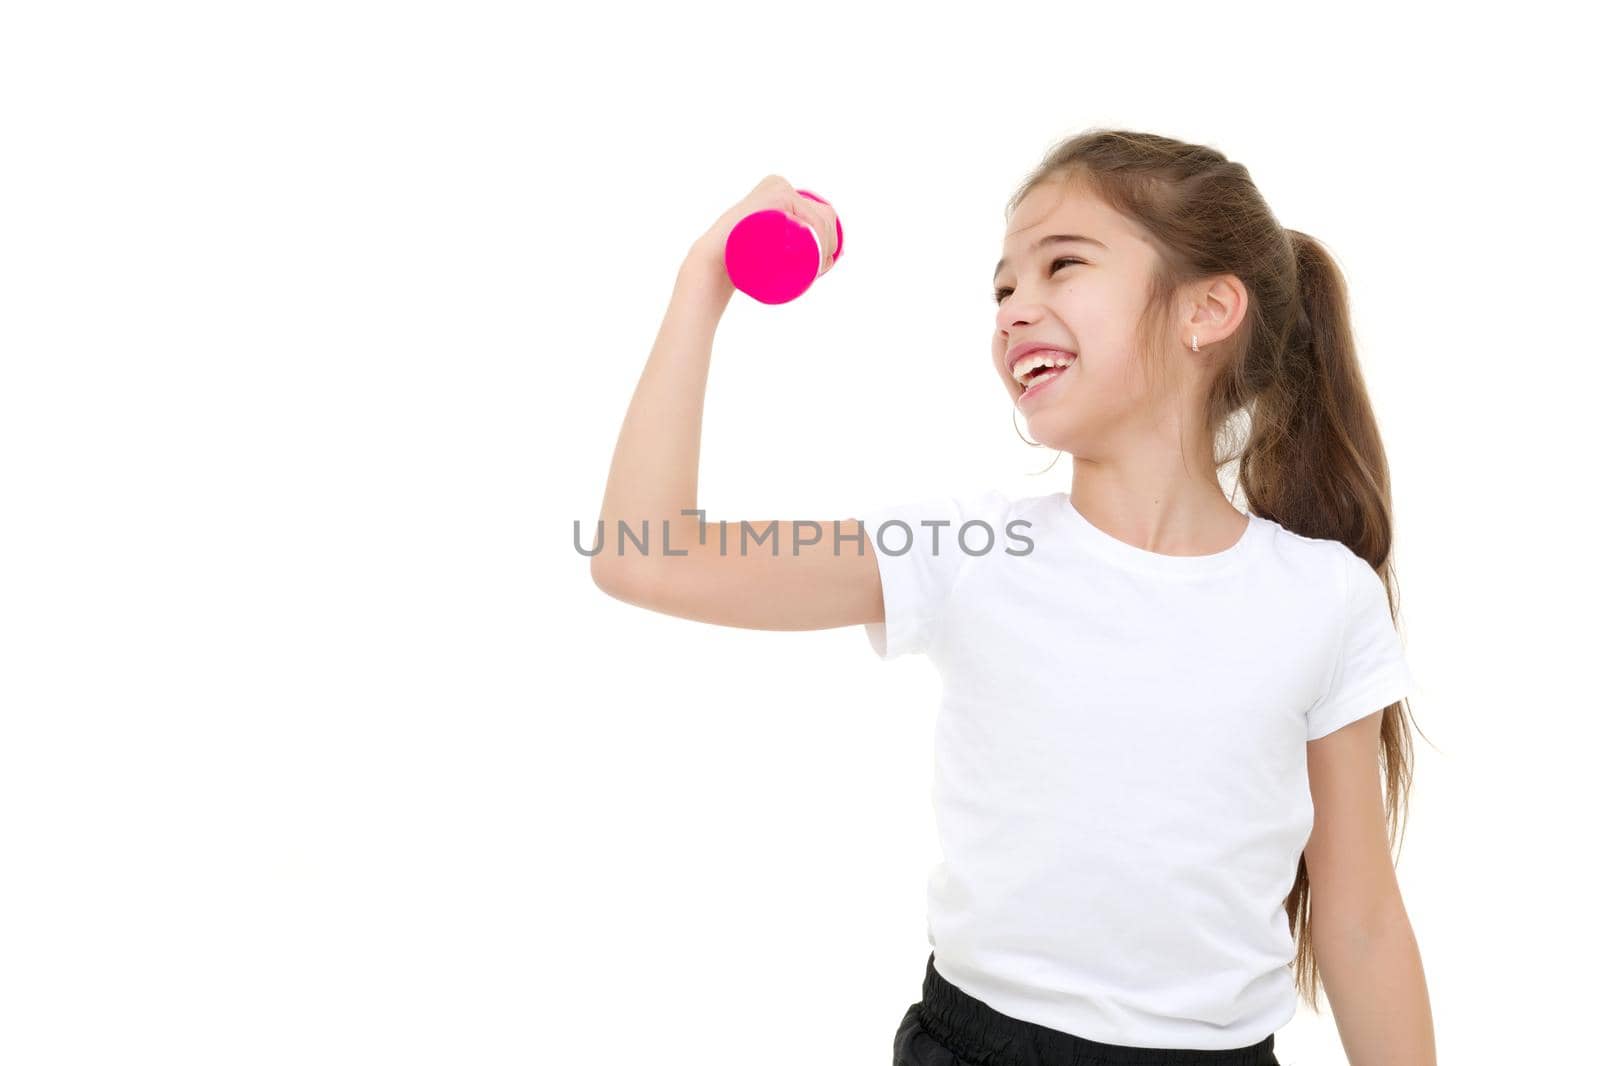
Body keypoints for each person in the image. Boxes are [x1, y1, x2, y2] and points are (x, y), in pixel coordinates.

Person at [588, 128, 1435, 1066]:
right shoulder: (965, 550)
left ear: (1209, 309)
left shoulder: (1321, 598)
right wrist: (702, 284)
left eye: (1061, 266)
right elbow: (648, 556)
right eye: (1002, 288)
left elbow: (1359, 922)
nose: (1014, 310)